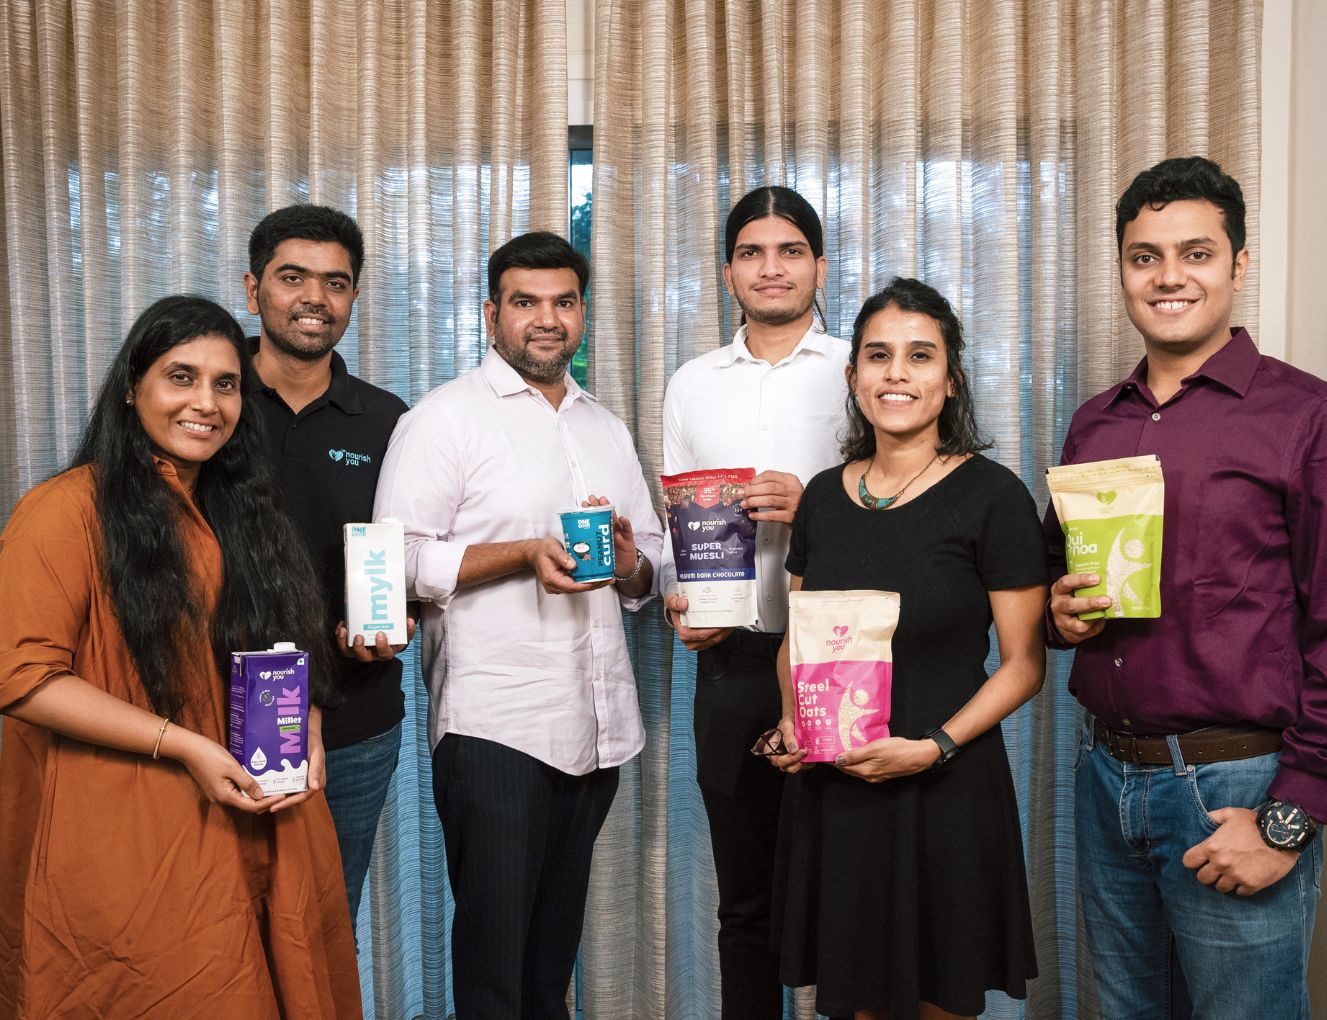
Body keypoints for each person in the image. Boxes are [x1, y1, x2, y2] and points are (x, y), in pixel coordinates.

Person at [0, 295, 360, 1017]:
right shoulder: (65, 510)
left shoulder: (246, 511)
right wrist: (186, 746)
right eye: (181, 377)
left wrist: (309, 725)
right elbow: (22, 676)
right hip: (127, 832)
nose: (206, 403)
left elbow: (282, 651)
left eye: (225, 384)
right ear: (131, 389)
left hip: (261, 811)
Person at [1046, 155, 1327, 1018]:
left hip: (1236, 787)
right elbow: (1060, 583)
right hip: (1105, 777)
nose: (1168, 277)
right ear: (1122, 270)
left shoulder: (1303, 415)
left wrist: (1288, 817)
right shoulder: (1095, 422)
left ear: (1237, 265)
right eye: (1145, 257)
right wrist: (1061, 615)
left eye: (1195, 253)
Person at [373, 231, 664, 1019]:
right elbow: (395, 561)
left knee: (547, 965)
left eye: (563, 302)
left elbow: (651, 564)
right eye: (525, 302)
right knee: (495, 970)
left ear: (581, 313)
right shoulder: (444, 419)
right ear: (490, 314)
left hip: (596, 729)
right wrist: (522, 553)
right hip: (494, 728)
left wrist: (632, 563)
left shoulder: (604, 426)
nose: (547, 319)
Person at [767, 278, 1046, 1020]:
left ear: (950, 381)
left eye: (920, 356)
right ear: (853, 375)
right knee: (856, 1005)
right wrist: (792, 719)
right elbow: (797, 637)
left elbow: (1024, 665)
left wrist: (932, 748)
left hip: (944, 789)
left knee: (937, 1004)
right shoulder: (822, 497)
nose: (896, 373)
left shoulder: (993, 497)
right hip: (838, 794)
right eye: (878, 355)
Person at [661, 185, 849, 1018]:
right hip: (732, 664)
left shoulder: (861, 369)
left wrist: (816, 508)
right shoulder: (692, 384)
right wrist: (678, 597)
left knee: (849, 890)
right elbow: (676, 529)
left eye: (789, 251)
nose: (770, 268)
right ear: (727, 272)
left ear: (818, 266)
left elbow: (901, 505)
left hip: (841, 654)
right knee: (744, 904)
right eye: (751, 253)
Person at [245, 204, 413, 934]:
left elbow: (409, 552)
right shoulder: (208, 398)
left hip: (354, 721)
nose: (315, 298)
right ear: (253, 289)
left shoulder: (388, 420)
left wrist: (399, 619)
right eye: (293, 278)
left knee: (323, 928)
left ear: (353, 297)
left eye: (335, 283)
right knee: (214, 933)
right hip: (211, 714)